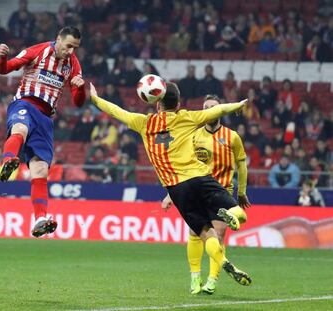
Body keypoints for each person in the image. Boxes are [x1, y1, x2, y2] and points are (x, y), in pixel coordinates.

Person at [89, 81, 250, 290]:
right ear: (179, 103)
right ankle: (231, 218)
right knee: (240, 215)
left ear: (157, 104)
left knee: (203, 232)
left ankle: (222, 262)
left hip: (176, 188)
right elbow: (218, 110)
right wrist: (238, 104)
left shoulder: (143, 123)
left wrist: (95, 99)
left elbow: (116, 111)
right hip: (200, 177)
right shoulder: (186, 117)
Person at [0, 26, 85, 237]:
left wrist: (80, 88)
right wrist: (2, 58)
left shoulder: (73, 65)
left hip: (46, 118)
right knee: (20, 129)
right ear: (58, 39)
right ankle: (9, 159)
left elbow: (78, 102)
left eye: (75, 48)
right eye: (68, 46)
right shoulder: (38, 51)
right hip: (25, 104)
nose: (71, 51)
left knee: (40, 171)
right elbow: (5, 69)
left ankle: (40, 219)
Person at [161, 94, 251, 294]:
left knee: (217, 235)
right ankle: (195, 278)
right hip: (196, 189)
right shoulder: (193, 135)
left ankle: (212, 280)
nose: (209, 110)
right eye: (206, 106)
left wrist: (242, 191)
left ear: (219, 111)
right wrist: (170, 194)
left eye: (213, 107)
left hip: (222, 190)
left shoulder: (231, 136)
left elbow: (241, 164)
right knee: (195, 233)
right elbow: (180, 163)